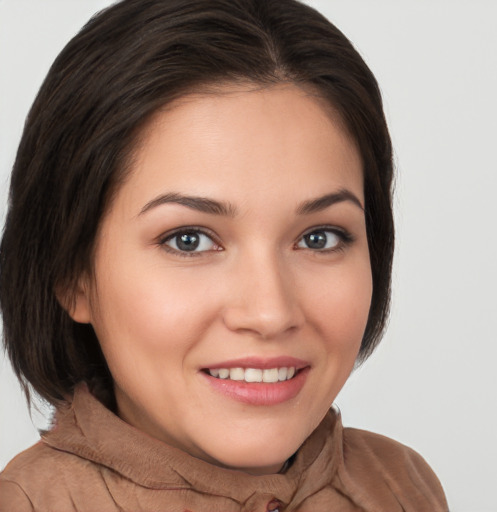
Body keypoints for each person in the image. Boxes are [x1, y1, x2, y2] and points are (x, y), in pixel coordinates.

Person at [0, 0, 448, 510]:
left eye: (319, 237)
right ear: (71, 273)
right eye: (188, 239)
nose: (270, 313)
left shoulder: (401, 486)